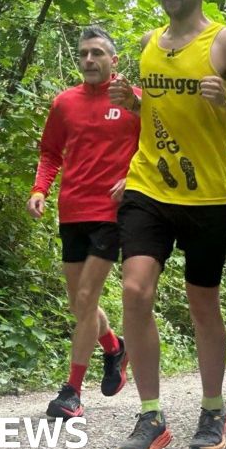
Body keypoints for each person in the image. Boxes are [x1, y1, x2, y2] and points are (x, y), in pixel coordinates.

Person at [107, 0, 226, 449]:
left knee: (202, 303)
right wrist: (131, 102)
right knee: (135, 291)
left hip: (205, 195)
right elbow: (162, 109)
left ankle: (211, 408)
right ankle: (151, 416)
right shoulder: (149, 41)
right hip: (148, 184)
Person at [27, 26, 141, 420]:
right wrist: (40, 189)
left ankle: (72, 391)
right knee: (80, 303)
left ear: (115, 60)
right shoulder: (64, 103)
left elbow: (158, 147)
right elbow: (49, 151)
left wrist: (135, 177)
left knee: (87, 296)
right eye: (83, 54)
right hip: (71, 209)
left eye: (97, 53)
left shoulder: (134, 102)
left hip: (111, 213)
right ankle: (113, 347)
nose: (89, 60)